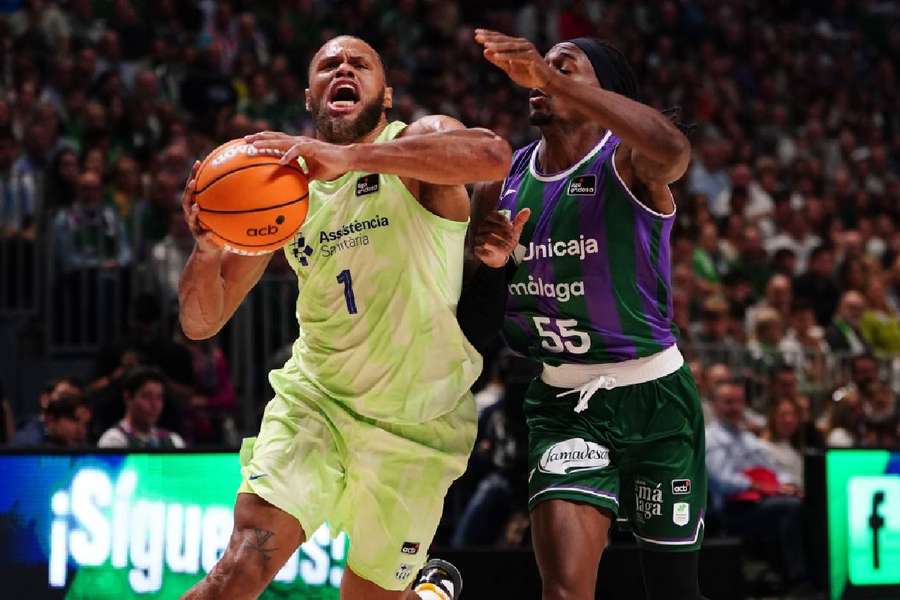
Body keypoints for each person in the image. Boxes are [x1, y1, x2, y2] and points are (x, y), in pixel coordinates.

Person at [178, 36, 512, 600]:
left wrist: (355, 156)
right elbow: (200, 323)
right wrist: (208, 249)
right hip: (319, 405)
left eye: (360, 63)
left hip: (418, 424)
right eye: (328, 65)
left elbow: (492, 156)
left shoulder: (418, 145)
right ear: (311, 98)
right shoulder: (284, 188)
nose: (343, 69)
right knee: (233, 575)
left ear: (385, 97)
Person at [472, 30, 705, 600]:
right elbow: (475, 330)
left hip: (656, 401)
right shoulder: (498, 182)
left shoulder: (627, 161)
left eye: (564, 67)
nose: (539, 76)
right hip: (563, 404)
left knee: (674, 591)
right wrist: (494, 268)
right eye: (540, 68)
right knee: (565, 591)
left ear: (607, 94)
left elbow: (674, 150)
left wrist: (548, 78)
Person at [705, 380, 808, 591]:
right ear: (715, 406)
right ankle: (796, 577)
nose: (734, 408)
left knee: (802, 500)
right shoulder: (711, 438)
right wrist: (761, 487)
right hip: (730, 510)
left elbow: (773, 469)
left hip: (757, 501)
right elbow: (723, 481)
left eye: (739, 402)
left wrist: (788, 484)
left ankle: (805, 574)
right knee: (790, 507)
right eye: (728, 402)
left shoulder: (747, 438)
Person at [97, 367, 185, 448]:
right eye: (147, 396)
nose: (154, 405)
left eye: (159, 397)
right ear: (127, 398)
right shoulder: (114, 440)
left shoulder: (173, 440)